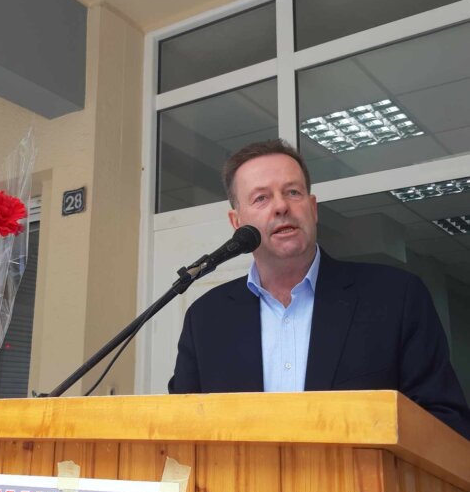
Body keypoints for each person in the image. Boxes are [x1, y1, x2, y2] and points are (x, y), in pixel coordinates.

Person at [168, 139, 470, 441]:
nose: (281, 206)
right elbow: (180, 431)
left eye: (293, 192)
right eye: (261, 198)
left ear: (312, 209)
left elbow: (445, 422)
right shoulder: (205, 318)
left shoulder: (396, 297)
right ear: (237, 222)